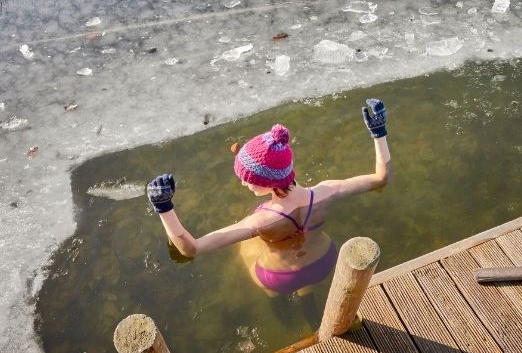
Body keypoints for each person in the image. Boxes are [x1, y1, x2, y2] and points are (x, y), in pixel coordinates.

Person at [146, 98, 391, 297]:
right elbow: (381, 178)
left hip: (279, 277)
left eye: (248, 179)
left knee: (246, 247)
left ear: (266, 183)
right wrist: (378, 133)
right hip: (324, 261)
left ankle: (276, 300)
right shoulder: (328, 191)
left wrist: (164, 207)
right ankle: (307, 297)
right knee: (308, 287)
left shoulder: (260, 221)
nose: (243, 183)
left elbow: (191, 248)